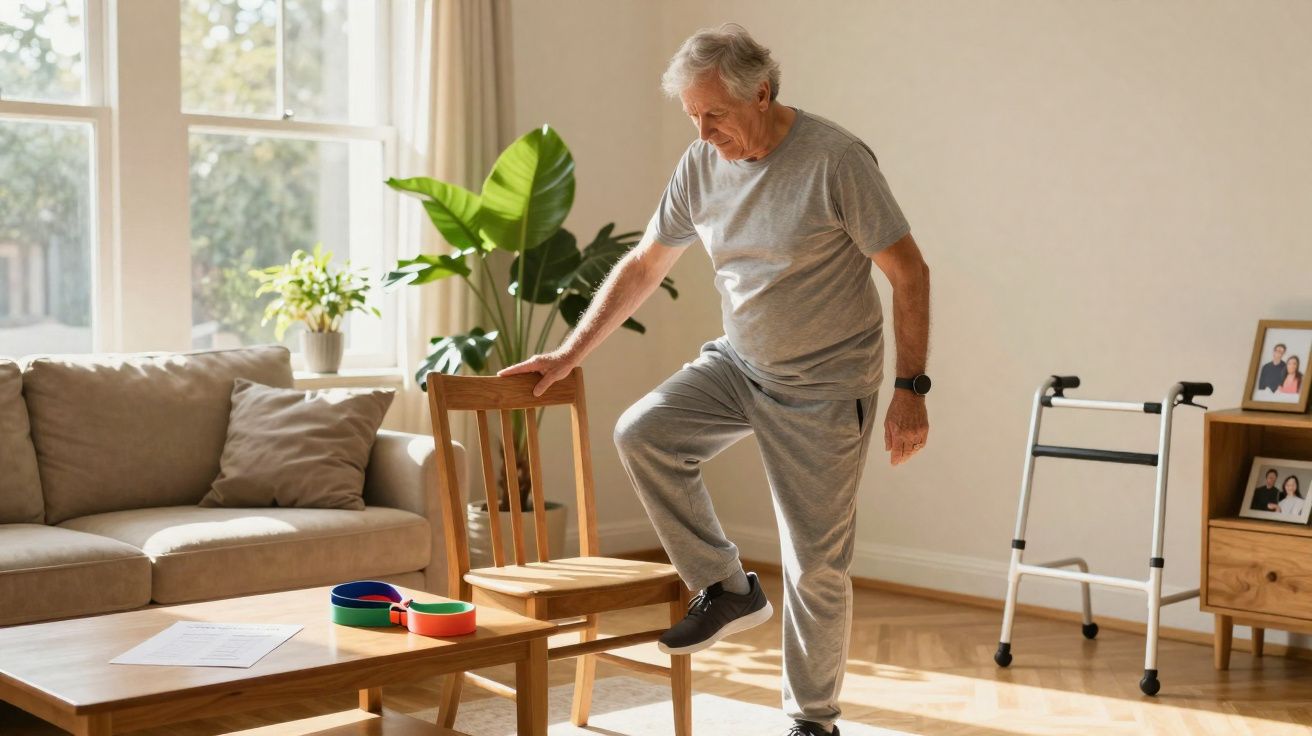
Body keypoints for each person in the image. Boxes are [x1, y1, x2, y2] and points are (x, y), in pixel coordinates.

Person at [500, 23, 931, 736]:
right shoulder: (701, 164)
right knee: (643, 432)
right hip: (739, 364)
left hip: (826, 387)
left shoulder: (836, 160)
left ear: (761, 94)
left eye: (715, 116)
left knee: (815, 564)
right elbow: (644, 264)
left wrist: (910, 392)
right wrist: (570, 354)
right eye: (692, 118)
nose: (703, 133)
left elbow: (909, 273)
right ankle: (726, 585)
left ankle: (811, 721)